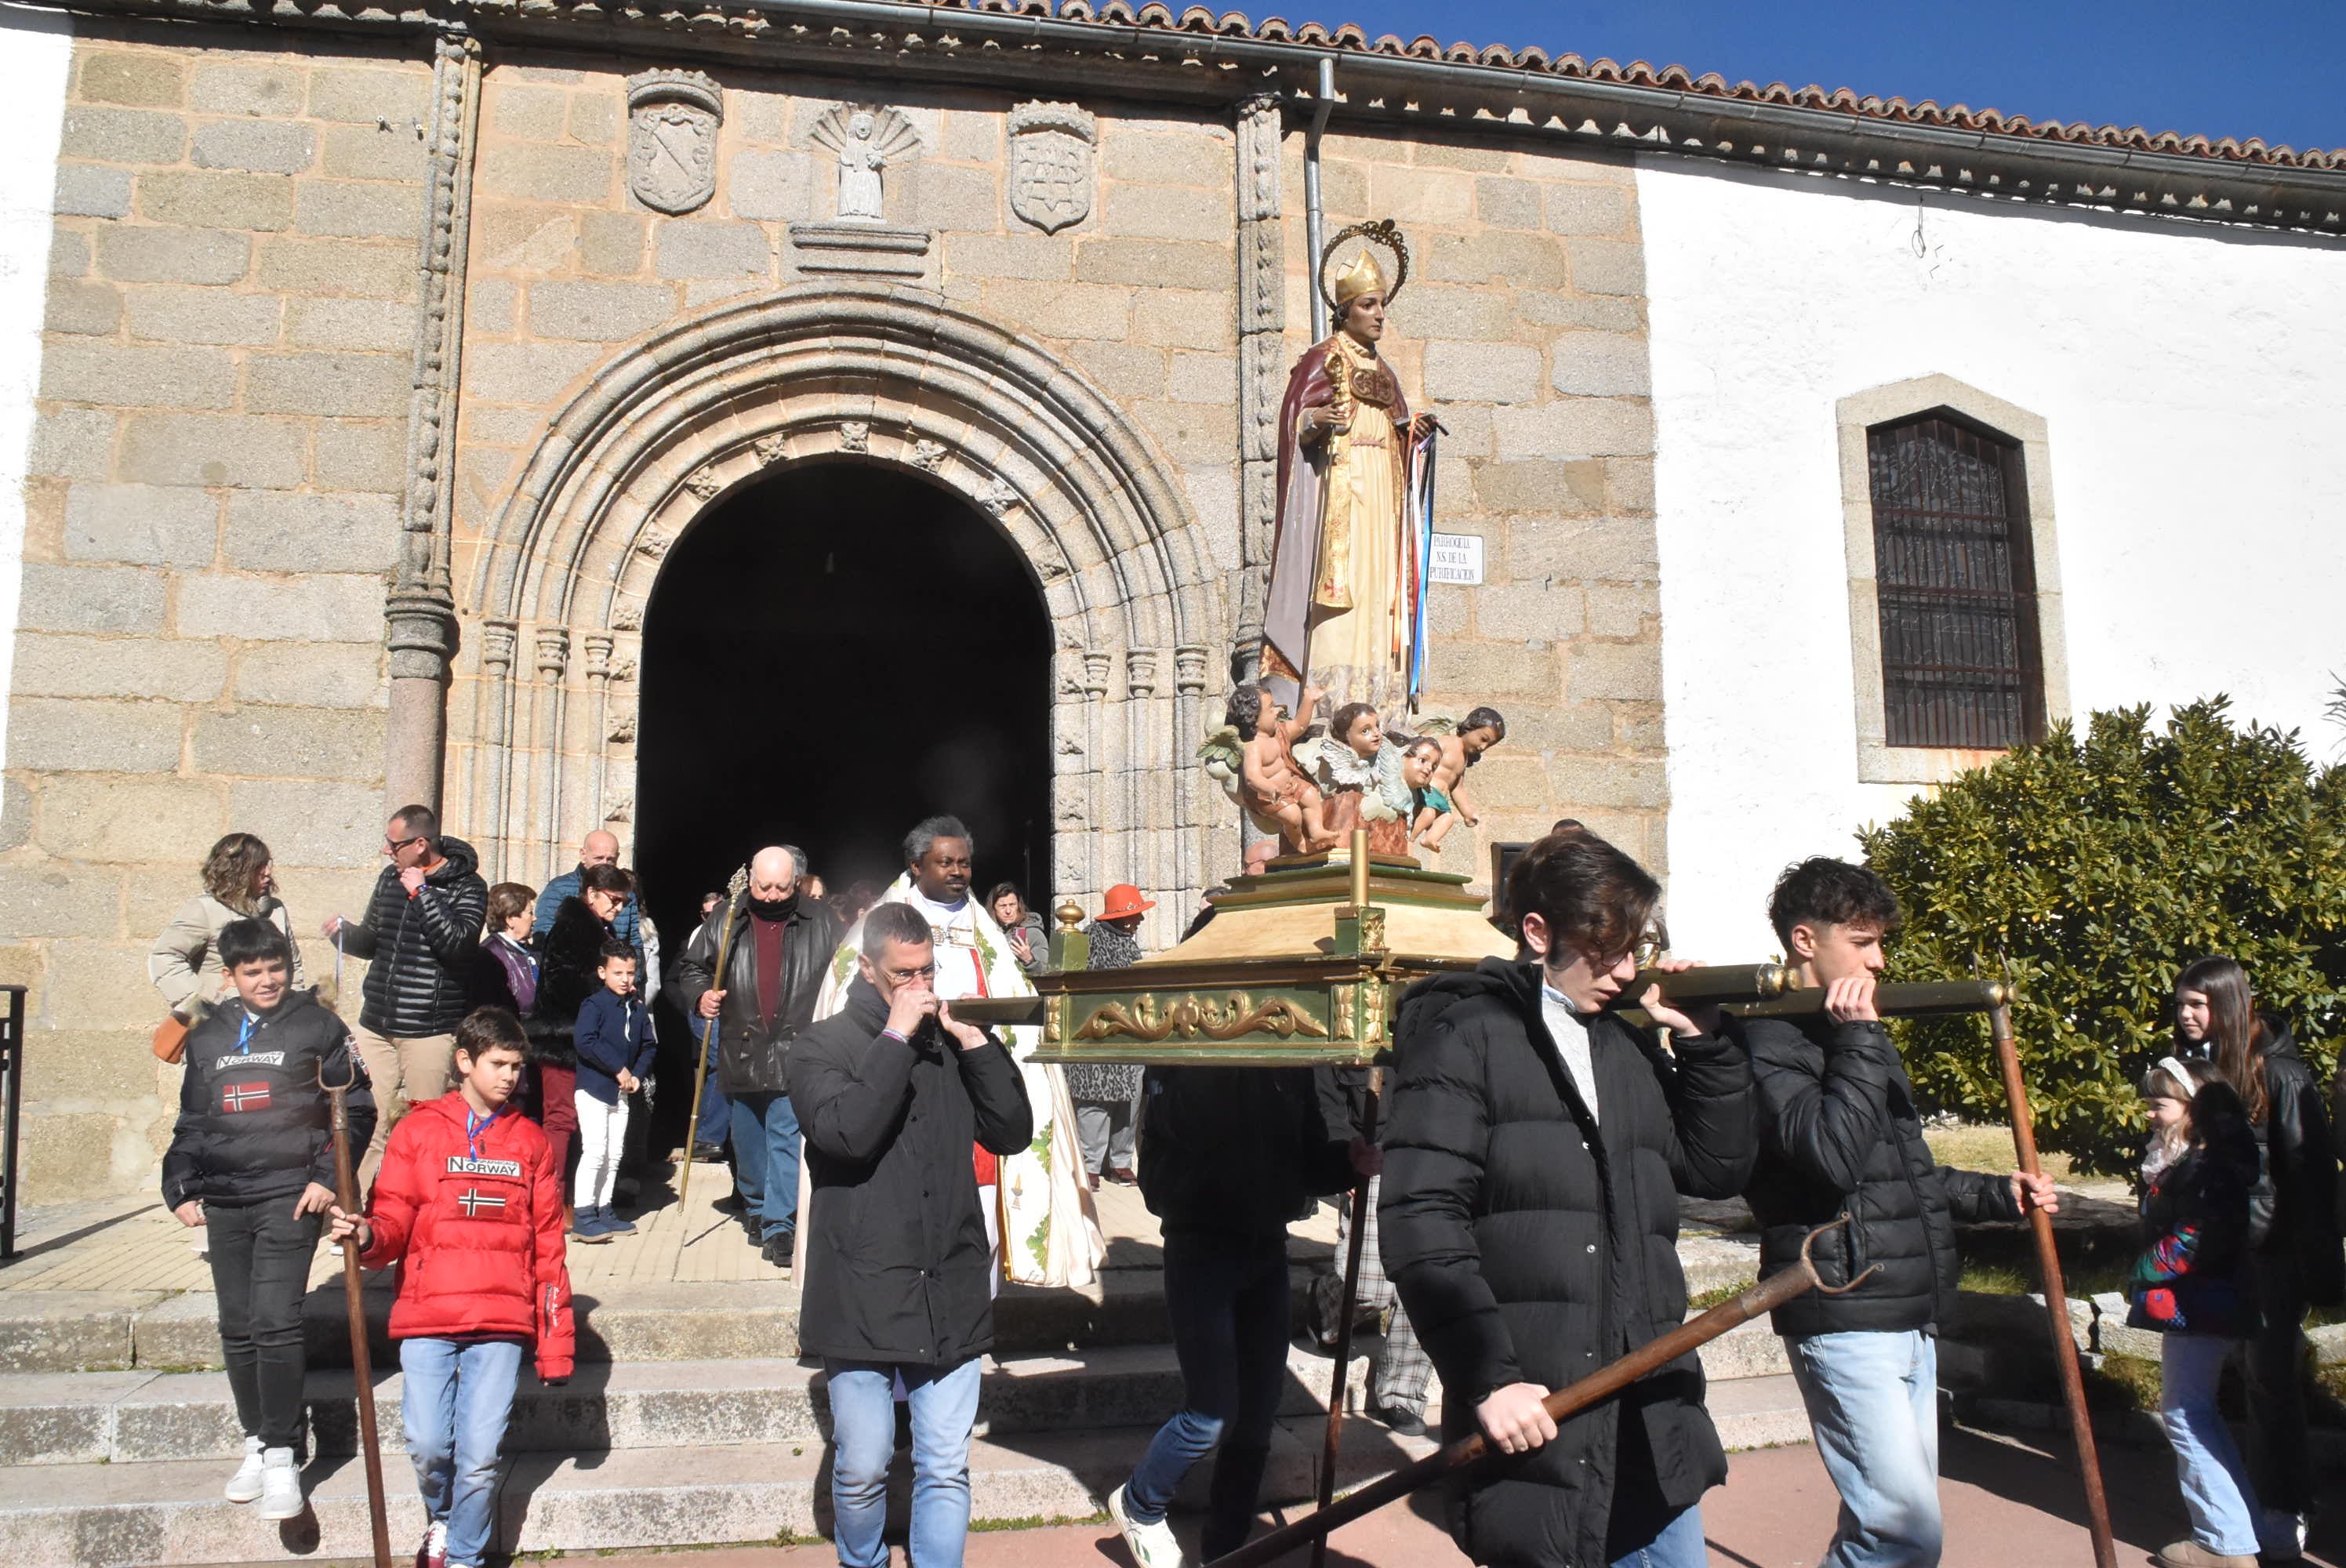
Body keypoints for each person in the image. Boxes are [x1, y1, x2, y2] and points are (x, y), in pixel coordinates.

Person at [1380, 830, 1756, 1568]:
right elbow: (1423, 1222)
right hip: (1540, 1403)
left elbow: (1713, 1170)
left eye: (1634, 949)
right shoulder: (1466, 1035)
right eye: (1603, 949)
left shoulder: (1625, 1043)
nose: (1624, 971)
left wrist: (1705, 1046)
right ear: (1538, 932)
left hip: (1650, 1400)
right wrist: (1488, 1379)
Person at [1741, 857, 2054, 1568]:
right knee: (1901, 1535)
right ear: (1804, 940)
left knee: (1882, 1531)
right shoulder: (1764, 1043)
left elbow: (1906, 1174)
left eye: (1881, 942)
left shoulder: (1854, 1038)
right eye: (1862, 941)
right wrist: (1860, 1040)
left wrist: (1999, 1194)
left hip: (1909, 1311)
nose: (1880, 960)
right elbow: (1833, 1159)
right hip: (1843, 1309)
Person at [790, 901, 1033, 1568]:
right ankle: (861, 1561)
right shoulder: (820, 1047)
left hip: (949, 1281)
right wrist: (895, 1040)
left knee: (945, 1467)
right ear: (866, 969)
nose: (919, 986)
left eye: (927, 970)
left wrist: (978, 1045)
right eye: (903, 974)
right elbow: (848, 1133)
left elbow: (1012, 1132)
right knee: (864, 1466)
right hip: (863, 1288)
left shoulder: (953, 1047)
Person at [812, 816, 1103, 1289]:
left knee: (978, 1209)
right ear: (915, 865)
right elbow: (846, 1003)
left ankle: (974, 1317)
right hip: (901, 1084)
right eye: (944, 862)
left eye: (964, 863)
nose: (957, 871)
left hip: (967, 1084)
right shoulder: (877, 927)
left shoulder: (985, 932)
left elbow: (1014, 1006)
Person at [329, 1007, 574, 1568]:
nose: (509, 1077)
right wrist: (366, 1234)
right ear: (464, 1062)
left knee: (481, 1455)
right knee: (429, 1444)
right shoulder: (417, 1131)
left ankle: (464, 1556)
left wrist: (555, 1343)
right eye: (498, 1064)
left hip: (501, 1321)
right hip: (428, 1315)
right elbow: (391, 1218)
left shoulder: (531, 1141)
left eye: (517, 1067)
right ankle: (441, 1518)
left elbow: (549, 1247)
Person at [1108, 1058, 1373, 1566]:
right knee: (1209, 1412)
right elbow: (1183, 1129)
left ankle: (1226, 1550)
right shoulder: (1184, 1054)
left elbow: (1311, 1155)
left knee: (1256, 1418)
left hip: (1267, 1244)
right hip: (1199, 1245)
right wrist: (1230, 1059)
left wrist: (1349, 1161)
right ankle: (1141, 1501)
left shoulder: (1292, 1062)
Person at [162, 916, 373, 1522]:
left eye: (275, 967)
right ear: (229, 976)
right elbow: (193, 1120)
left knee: (276, 1321)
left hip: (291, 1195)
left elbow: (356, 1109)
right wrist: (178, 1183)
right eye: (252, 971)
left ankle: (284, 1454)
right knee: (237, 1325)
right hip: (225, 1200)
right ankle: (257, 1440)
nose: (267, 980)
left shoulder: (319, 1024)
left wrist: (327, 1179)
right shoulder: (208, 1033)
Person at [2172, 955, 2344, 1559]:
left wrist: (2315, 1266)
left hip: (2270, 1256)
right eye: (2182, 1003)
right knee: (2221, 1386)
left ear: (2228, 1003)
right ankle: (2237, 1518)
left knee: (2270, 1383)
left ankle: (2286, 1513)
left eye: (2198, 1003)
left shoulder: (2282, 1076)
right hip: (2214, 1253)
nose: (2187, 1014)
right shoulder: (2201, 1068)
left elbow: (2310, 1173)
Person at [1258, 239, 1437, 724]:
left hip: (1384, 492)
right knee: (1346, 586)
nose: (1380, 315)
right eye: (1368, 305)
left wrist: (1411, 433)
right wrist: (1317, 416)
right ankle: (1332, 697)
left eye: (1382, 305)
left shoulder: (1385, 371)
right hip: (1341, 490)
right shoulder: (1324, 357)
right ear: (1344, 311)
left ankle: (1381, 700)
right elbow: (1296, 420)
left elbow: (1396, 423)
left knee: (1381, 590)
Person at [2130, 1056, 2269, 1568]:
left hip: (2199, 1300)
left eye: (2159, 1105)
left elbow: (2193, 1239)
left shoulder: (2203, 1166)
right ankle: (2241, 1530)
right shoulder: (2199, 1160)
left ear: (2192, 1109)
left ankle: (2224, 1543)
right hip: (2205, 1300)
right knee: (2195, 1410)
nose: (2149, 1114)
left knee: (2185, 1414)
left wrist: (2144, 1270)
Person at [676, 847, 838, 1269]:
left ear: (796, 884)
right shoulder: (728, 916)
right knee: (747, 1139)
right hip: (743, 1045)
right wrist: (701, 997)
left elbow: (844, 973)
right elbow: (693, 969)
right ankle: (756, 1203)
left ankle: (779, 1225)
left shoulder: (820, 921)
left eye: (781, 887)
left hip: (797, 1046)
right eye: (763, 887)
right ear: (751, 881)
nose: (770, 896)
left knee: (786, 1135)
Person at [323, 804, 488, 1171]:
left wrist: (423, 894)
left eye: (393, 844)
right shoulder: (388, 879)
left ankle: (419, 1217)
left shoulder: (469, 885)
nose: (387, 851)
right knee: (368, 1120)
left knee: (425, 1126)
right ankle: (359, 1216)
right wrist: (344, 935)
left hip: (427, 1028)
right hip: (377, 1023)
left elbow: (459, 946)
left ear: (419, 844)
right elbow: (372, 942)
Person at [1310, 1067, 1435, 1437]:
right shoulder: (1349, 1027)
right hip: (1369, 1159)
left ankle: (1400, 1394)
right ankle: (1324, 1304)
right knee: (1367, 1287)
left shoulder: (1435, 1025)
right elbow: (1324, 1109)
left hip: (1427, 1158)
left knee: (1426, 1281)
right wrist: (1344, 1159)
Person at [532, 863, 635, 1213]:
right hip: (563, 1039)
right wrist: (604, 989)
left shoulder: (598, 929)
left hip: (587, 1040)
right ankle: (552, 1203)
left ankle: (583, 1199)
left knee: (587, 1125)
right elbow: (560, 982)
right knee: (560, 1121)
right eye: (613, 899)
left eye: (624, 902)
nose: (619, 908)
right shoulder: (572, 927)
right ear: (591, 894)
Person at [151, 832, 304, 1022]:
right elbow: (164, 958)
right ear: (237, 871)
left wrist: (293, 1010)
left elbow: (292, 965)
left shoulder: (276, 910)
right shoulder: (205, 909)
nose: (267, 873)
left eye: (267, 864)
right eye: (258, 867)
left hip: (273, 1023)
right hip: (221, 1027)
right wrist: (208, 1004)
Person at [1069, 884, 1153, 1188]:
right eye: (1136, 915)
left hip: (1131, 1034)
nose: (1140, 921)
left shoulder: (1130, 944)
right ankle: (1090, 1165)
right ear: (1122, 916)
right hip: (1098, 1036)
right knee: (1095, 1104)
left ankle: (1120, 1162)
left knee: (1128, 1103)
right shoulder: (1089, 940)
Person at [571, 941, 655, 1242]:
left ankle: (604, 1209)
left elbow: (648, 1045)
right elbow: (586, 1041)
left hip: (621, 1092)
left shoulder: (636, 1008)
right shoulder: (594, 1005)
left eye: (630, 972)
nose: (625, 979)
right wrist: (618, 1069)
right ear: (602, 972)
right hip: (594, 1088)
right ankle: (583, 1214)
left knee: (614, 1153)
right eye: (617, 972)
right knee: (594, 1151)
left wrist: (637, 1076)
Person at [532, 829, 642, 960]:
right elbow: (545, 939)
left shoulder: (627, 895)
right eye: (599, 858)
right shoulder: (559, 890)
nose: (604, 864)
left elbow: (635, 945)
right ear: (583, 855)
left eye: (611, 859)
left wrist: (628, 975)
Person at [681, 888, 732, 1163]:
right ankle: (707, 1138)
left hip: (728, 1009)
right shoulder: (701, 935)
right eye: (708, 913)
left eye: (718, 911)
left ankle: (711, 1137)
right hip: (705, 1009)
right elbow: (692, 973)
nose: (714, 917)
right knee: (719, 1064)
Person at [1417, 707, 1505, 852]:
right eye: (1483, 739)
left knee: (1448, 818)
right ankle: (1411, 838)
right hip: (1426, 792)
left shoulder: (1464, 759)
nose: (1483, 747)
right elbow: (1424, 754)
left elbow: (1458, 788)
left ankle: (1430, 839)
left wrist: (1468, 813)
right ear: (1470, 727)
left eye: (1488, 745)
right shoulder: (1447, 742)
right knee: (1429, 814)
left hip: (1438, 798)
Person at [473, 882, 539, 1019]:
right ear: (510, 919)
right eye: (530, 913)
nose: (535, 918)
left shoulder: (534, 952)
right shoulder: (489, 956)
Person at [987, 882, 1048, 978]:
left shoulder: (1033, 933)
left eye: (1012, 905)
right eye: (1002, 906)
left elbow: (1046, 971)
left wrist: (1029, 959)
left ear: (1019, 906)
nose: (1008, 911)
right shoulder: (987, 932)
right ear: (994, 909)